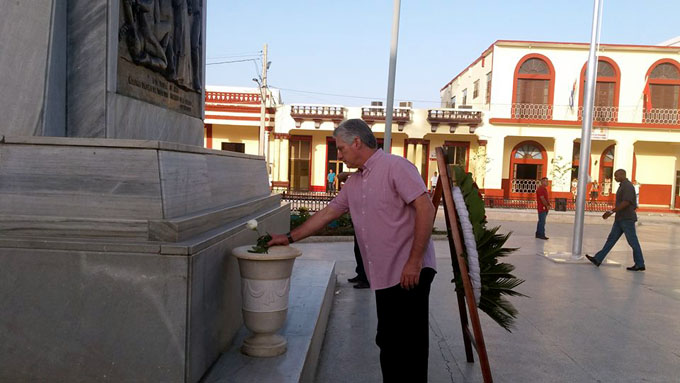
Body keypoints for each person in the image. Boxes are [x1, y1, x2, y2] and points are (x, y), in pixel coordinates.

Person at [268, 119, 437, 382]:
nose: (339, 155)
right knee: (389, 341)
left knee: (409, 346)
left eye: (341, 148)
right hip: (385, 274)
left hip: (409, 272)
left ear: (357, 142)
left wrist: (414, 261)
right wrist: (289, 237)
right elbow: (327, 214)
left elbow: (426, 209)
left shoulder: (396, 167)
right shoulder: (356, 182)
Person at [585, 169, 646, 271]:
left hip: (627, 219)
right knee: (611, 239)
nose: (615, 178)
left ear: (622, 175)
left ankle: (640, 263)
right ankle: (598, 258)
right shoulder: (622, 185)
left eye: (616, 176)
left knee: (633, 241)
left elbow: (626, 202)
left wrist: (611, 211)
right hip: (620, 218)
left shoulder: (627, 186)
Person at [337, 171, 370, 289]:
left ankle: (366, 279)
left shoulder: (369, 180)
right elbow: (340, 176)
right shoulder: (356, 179)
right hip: (358, 221)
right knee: (358, 249)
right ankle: (360, 274)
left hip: (367, 222)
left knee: (364, 252)